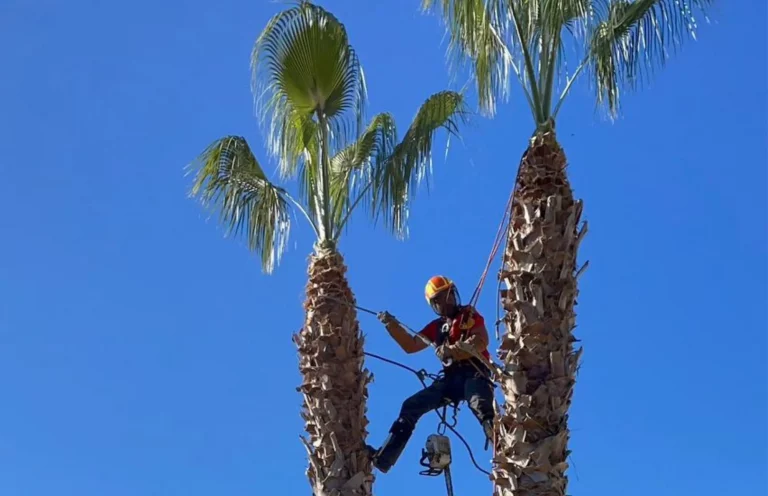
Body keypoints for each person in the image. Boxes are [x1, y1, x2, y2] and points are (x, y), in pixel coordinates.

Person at [367, 275, 495, 473]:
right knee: (411, 406)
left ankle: (501, 442)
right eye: (442, 299)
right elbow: (411, 345)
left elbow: (481, 341)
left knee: (480, 403)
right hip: (451, 380)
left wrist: (454, 350)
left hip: (474, 372)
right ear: (435, 304)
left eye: (450, 295)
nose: (449, 301)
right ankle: (384, 459)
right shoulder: (436, 328)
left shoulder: (468, 316)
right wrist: (392, 325)